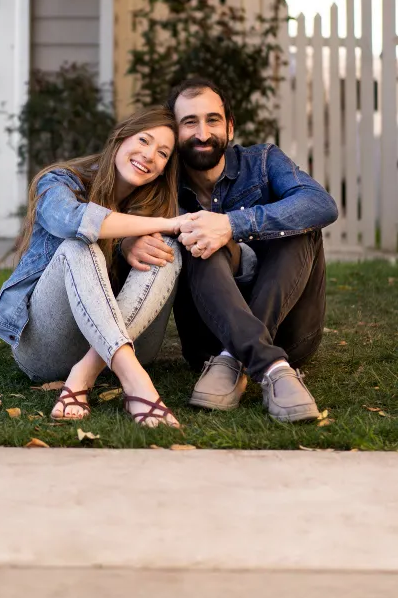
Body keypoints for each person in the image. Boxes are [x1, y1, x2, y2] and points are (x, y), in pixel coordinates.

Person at [122, 77, 338, 423]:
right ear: (174, 134)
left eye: (212, 120)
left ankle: (234, 356)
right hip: (205, 342)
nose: (203, 133)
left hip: (291, 335)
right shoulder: (161, 181)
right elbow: (118, 212)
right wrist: (127, 241)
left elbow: (321, 204)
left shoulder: (265, 161)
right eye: (189, 122)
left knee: (299, 228)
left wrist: (232, 225)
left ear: (230, 127)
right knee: (194, 235)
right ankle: (271, 366)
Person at [0, 106, 185, 428]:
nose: (149, 156)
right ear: (119, 139)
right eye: (144, 141)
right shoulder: (60, 181)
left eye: (162, 153)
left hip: (130, 341)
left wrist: (137, 240)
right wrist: (155, 227)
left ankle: (85, 372)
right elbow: (71, 221)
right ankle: (135, 382)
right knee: (78, 244)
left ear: (164, 169)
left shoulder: (157, 202)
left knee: (166, 248)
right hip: (48, 349)